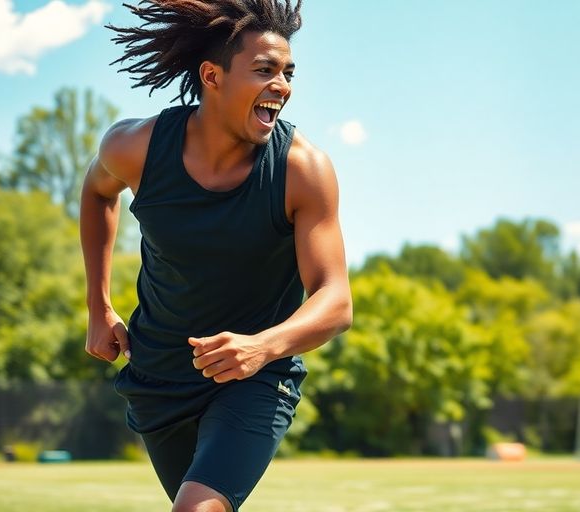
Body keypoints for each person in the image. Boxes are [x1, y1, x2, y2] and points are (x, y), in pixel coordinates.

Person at [79, 1, 352, 510]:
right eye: (265, 70)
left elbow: (335, 300)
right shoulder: (134, 146)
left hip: (256, 377)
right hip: (158, 375)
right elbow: (97, 194)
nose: (283, 86)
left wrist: (263, 348)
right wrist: (99, 306)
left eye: (288, 73)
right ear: (212, 76)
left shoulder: (301, 170)